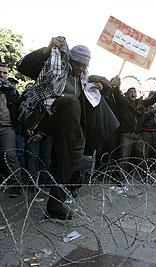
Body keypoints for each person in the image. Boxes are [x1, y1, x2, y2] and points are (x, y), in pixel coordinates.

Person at [17, 36, 100, 219]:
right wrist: (47, 49)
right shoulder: (55, 68)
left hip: (64, 127)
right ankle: (76, 152)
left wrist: (100, 87)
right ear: (70, 60)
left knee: (66, 164)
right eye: (78, 64)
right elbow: (23, 66)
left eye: (85, 66)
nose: (81, 68)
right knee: (70, 102)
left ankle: (55, 206)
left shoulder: (83, 79)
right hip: (46, 115)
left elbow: (101, 88)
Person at [109, 76, 156, 160]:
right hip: (127, 134)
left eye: (134, 92)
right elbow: (117, 95)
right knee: (124, 156)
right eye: (130, 92)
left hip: (138, 135)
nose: (133, 93)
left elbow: (152, 100)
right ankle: (122, 172)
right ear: (127, 94)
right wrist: (116, 87)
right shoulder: (124, 103)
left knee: (142, 155)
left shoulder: (141, 103)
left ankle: (142, 172)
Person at [0, 63, 23, 197]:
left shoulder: (11, 90)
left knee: (10, 155)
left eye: (4, 73)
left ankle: (16, 186)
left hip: (7, 127)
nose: (2, 75)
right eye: (0, 72)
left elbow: (20, 108)